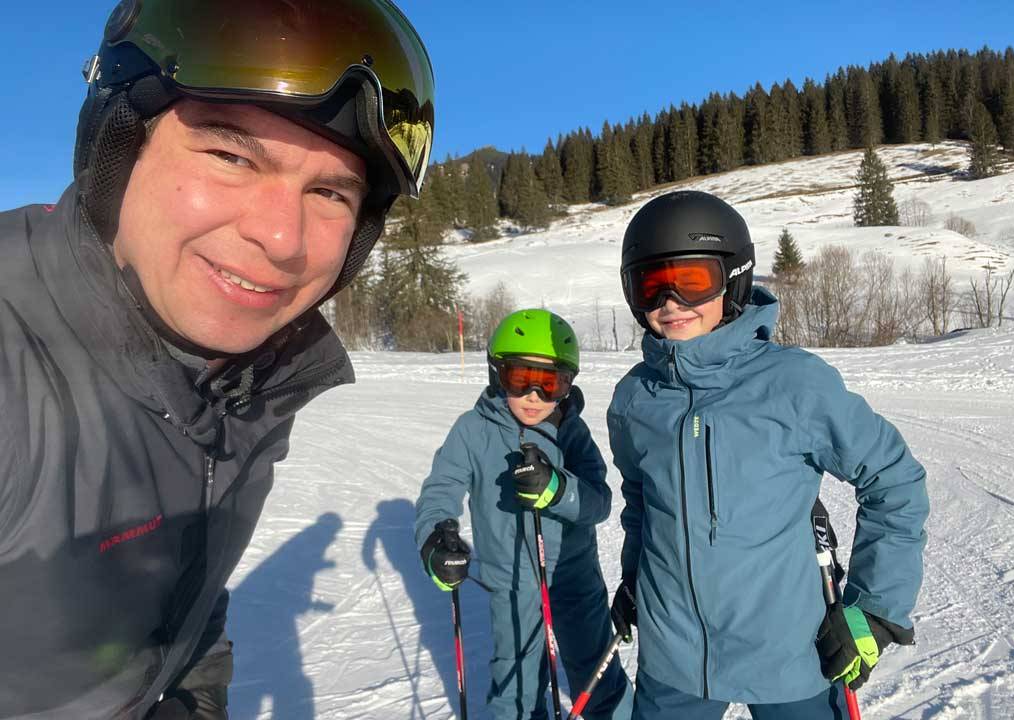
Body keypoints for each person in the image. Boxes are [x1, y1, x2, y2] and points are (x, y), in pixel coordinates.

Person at [0, 1, 434, 717]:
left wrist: (191, 694)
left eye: (329, 192)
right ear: (120, 145)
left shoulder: (243, 386)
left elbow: (186, 593)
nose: (282, 238)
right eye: (232, 156)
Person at [605, 191, 930, 719]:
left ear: (733, 278)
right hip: (673, 660)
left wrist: (874, 608)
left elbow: (894, 479)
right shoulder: (634, 399)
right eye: (650, 283)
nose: (669, 300)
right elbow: (642, 505)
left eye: (691, 282)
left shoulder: (794, 384)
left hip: (789, 653)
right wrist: (635, 579)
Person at [415, 309, 632, 720]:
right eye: (520, 379)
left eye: (549, 383)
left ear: (566, 386)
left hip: (573, 575)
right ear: (498, 374)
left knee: (598, 677)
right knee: (516, 686)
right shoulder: (473, 430)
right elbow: (440, 490)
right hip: (511, 581)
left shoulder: (571, 432)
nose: (534, 396)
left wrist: (557, 489)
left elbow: (598, 501)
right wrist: (436, 538)